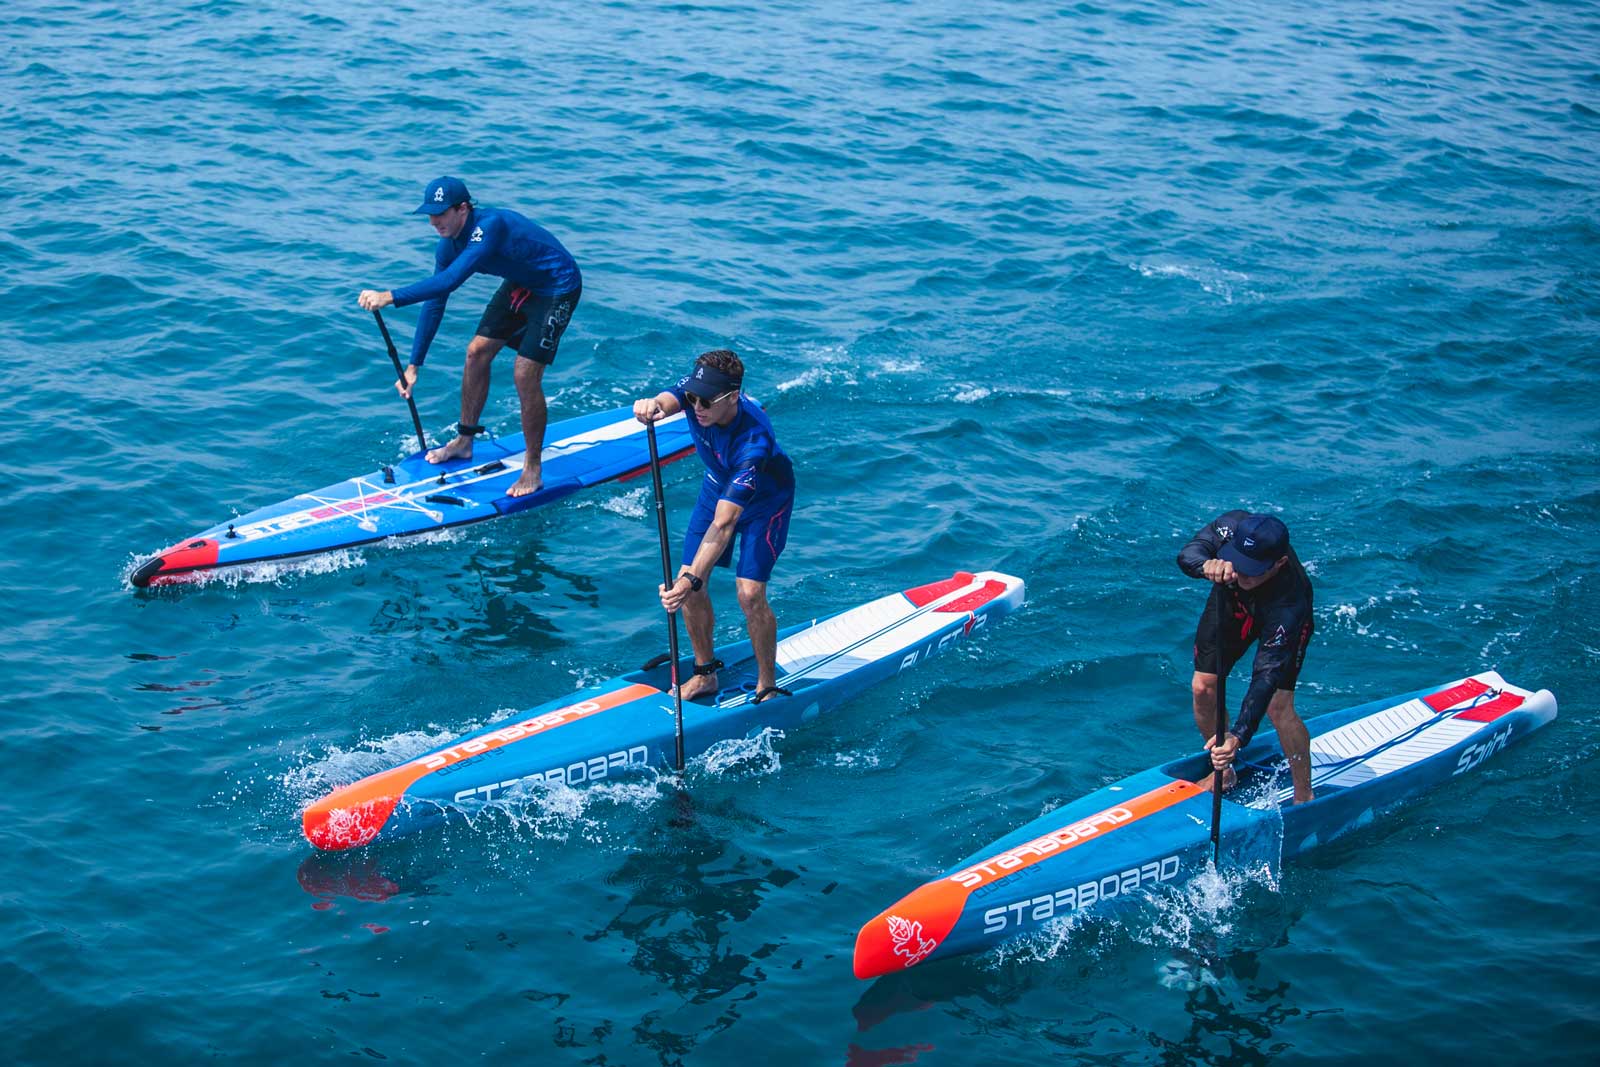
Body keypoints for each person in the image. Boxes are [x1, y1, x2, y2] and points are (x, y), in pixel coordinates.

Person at [357, 176, 582, 497]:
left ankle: (533, 467)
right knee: (476, 352)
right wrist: (413, 366)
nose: (434, 221)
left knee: (524, 373)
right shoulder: (448, 245)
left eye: (440, 213)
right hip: (521, 283)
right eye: (429, 215)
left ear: (463, 209)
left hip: (558, 286)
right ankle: (464, 441)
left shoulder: (489, 227)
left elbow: (448, 282)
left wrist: (389, 296)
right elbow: (436, 302)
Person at [633, 349, 796, 704]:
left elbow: (724, 525)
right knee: (690, 586)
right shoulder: (699, 392)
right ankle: (705, 674)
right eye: (692, 398)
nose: (697, 406)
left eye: (705, 401)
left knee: (749, 593)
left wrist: (690, 578)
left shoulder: (754, 442)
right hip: (717, 487)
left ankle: (766, 683)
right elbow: (669, 397)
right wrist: (652, 406)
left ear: (733, 397)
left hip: (765, 502)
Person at [1177, 510, 1316, 804]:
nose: (1240, 574)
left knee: (1278, 707)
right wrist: (1206, 566)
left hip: (1276, 616)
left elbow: (1265, 676)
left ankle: (1305, 794)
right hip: (1233, 607)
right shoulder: (1233, 525)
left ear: (1279, 564)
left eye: (1252, 570)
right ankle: (1224, 771)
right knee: (1203, 687)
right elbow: (1189, 552)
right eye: (1237, 564)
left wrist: (1239, 735)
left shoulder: (1291, 605)